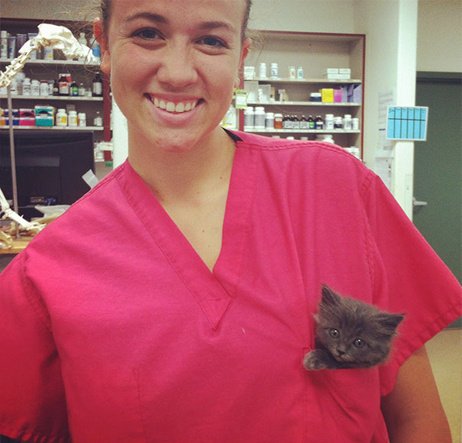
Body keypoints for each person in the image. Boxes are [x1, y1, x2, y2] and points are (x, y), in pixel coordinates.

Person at [0, 1, 460, 442]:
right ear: (103, 44)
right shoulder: (48, 270)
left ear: (240, 59)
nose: (178, 73)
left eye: (211, 41)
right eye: (147, 33)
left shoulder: (339, 190)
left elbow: (418, 422)